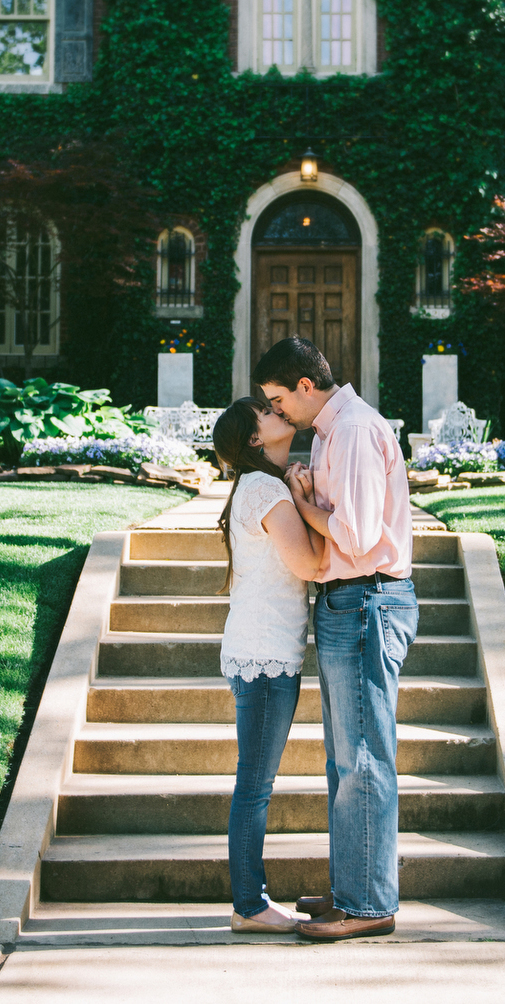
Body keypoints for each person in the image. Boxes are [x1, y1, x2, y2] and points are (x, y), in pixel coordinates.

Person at [254, 336, 415, 942]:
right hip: (352, 600)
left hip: (368, 599)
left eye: (277, 400)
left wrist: (299, 497)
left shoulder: (347, 431)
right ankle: (355, 884)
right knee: (346, 757)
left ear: (303, 385)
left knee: (364, 757)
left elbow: (354, 532)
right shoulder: (331, 432)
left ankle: (369, 902)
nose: (277, 414)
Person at [209, 395, 327, 933]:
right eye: (266, 412)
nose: (278, 411)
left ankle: (249, 902)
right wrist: (308, 503)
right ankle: (249, 906)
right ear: (255, 439)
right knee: (254, 786)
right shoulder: (263, 487)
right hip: (264, 655)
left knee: (256, 782)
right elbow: (309, 563)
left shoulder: (260, 486)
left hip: (266, 649)